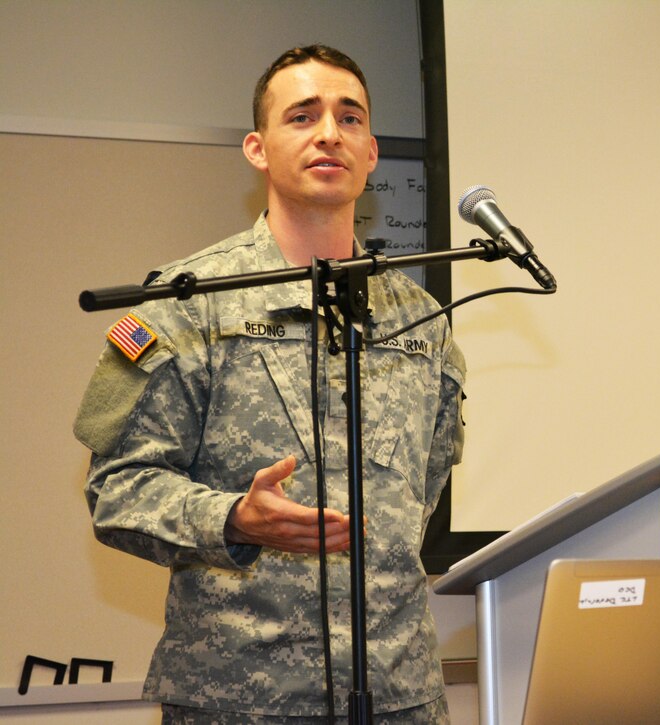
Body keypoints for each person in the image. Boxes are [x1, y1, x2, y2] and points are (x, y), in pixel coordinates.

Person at [74, 45, 465, 724]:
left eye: (349, 118)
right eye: (303, 116)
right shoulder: (188, 304)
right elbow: (118, 490)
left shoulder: (421, 321)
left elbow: (422, 490)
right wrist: (231, 518)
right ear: (257, 148)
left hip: (401, 697)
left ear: (371, 152)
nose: (328, 134)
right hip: (241, 699)